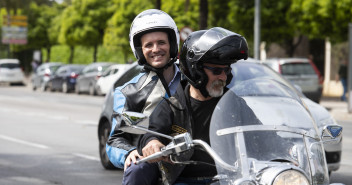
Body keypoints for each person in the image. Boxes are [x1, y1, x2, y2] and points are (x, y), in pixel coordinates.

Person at [137, 27, 250, 184]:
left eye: (227, 70)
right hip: (184, 179)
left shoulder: (235, 103)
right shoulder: (172, 105)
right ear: (195, 70)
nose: (223, 77)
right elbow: (151, 133)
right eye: (217, 70)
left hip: (228, 179)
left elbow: (260, 134)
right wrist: (152, 143)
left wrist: (286, 151)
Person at [105, 9, 181, 185]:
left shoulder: (192, 81)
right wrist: (129, 153)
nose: (156, 49)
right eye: (148, 45)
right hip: (153, 164)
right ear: (140, 50)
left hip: (193, 160)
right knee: (137, 169)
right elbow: (115, 139)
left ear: (172, 44)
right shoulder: (128, 91)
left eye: (161, 42)